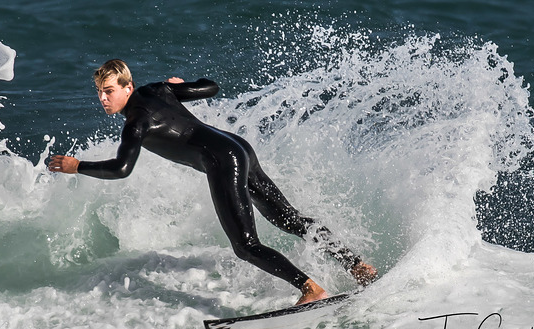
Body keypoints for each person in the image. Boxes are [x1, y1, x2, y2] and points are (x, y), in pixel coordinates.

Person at [49, 59, 377, 305]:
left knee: (246, 246)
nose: (103, 99)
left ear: (126, 88)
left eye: (109, 92)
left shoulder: (136, 122)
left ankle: (311, 289)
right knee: (287, 218)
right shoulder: (157, 90)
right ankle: (357, 265)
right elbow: (210, 87)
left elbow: (122, 168)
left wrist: (78, 166)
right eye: (99, 93)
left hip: (222, 160)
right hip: (238, 148)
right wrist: (180, 84)